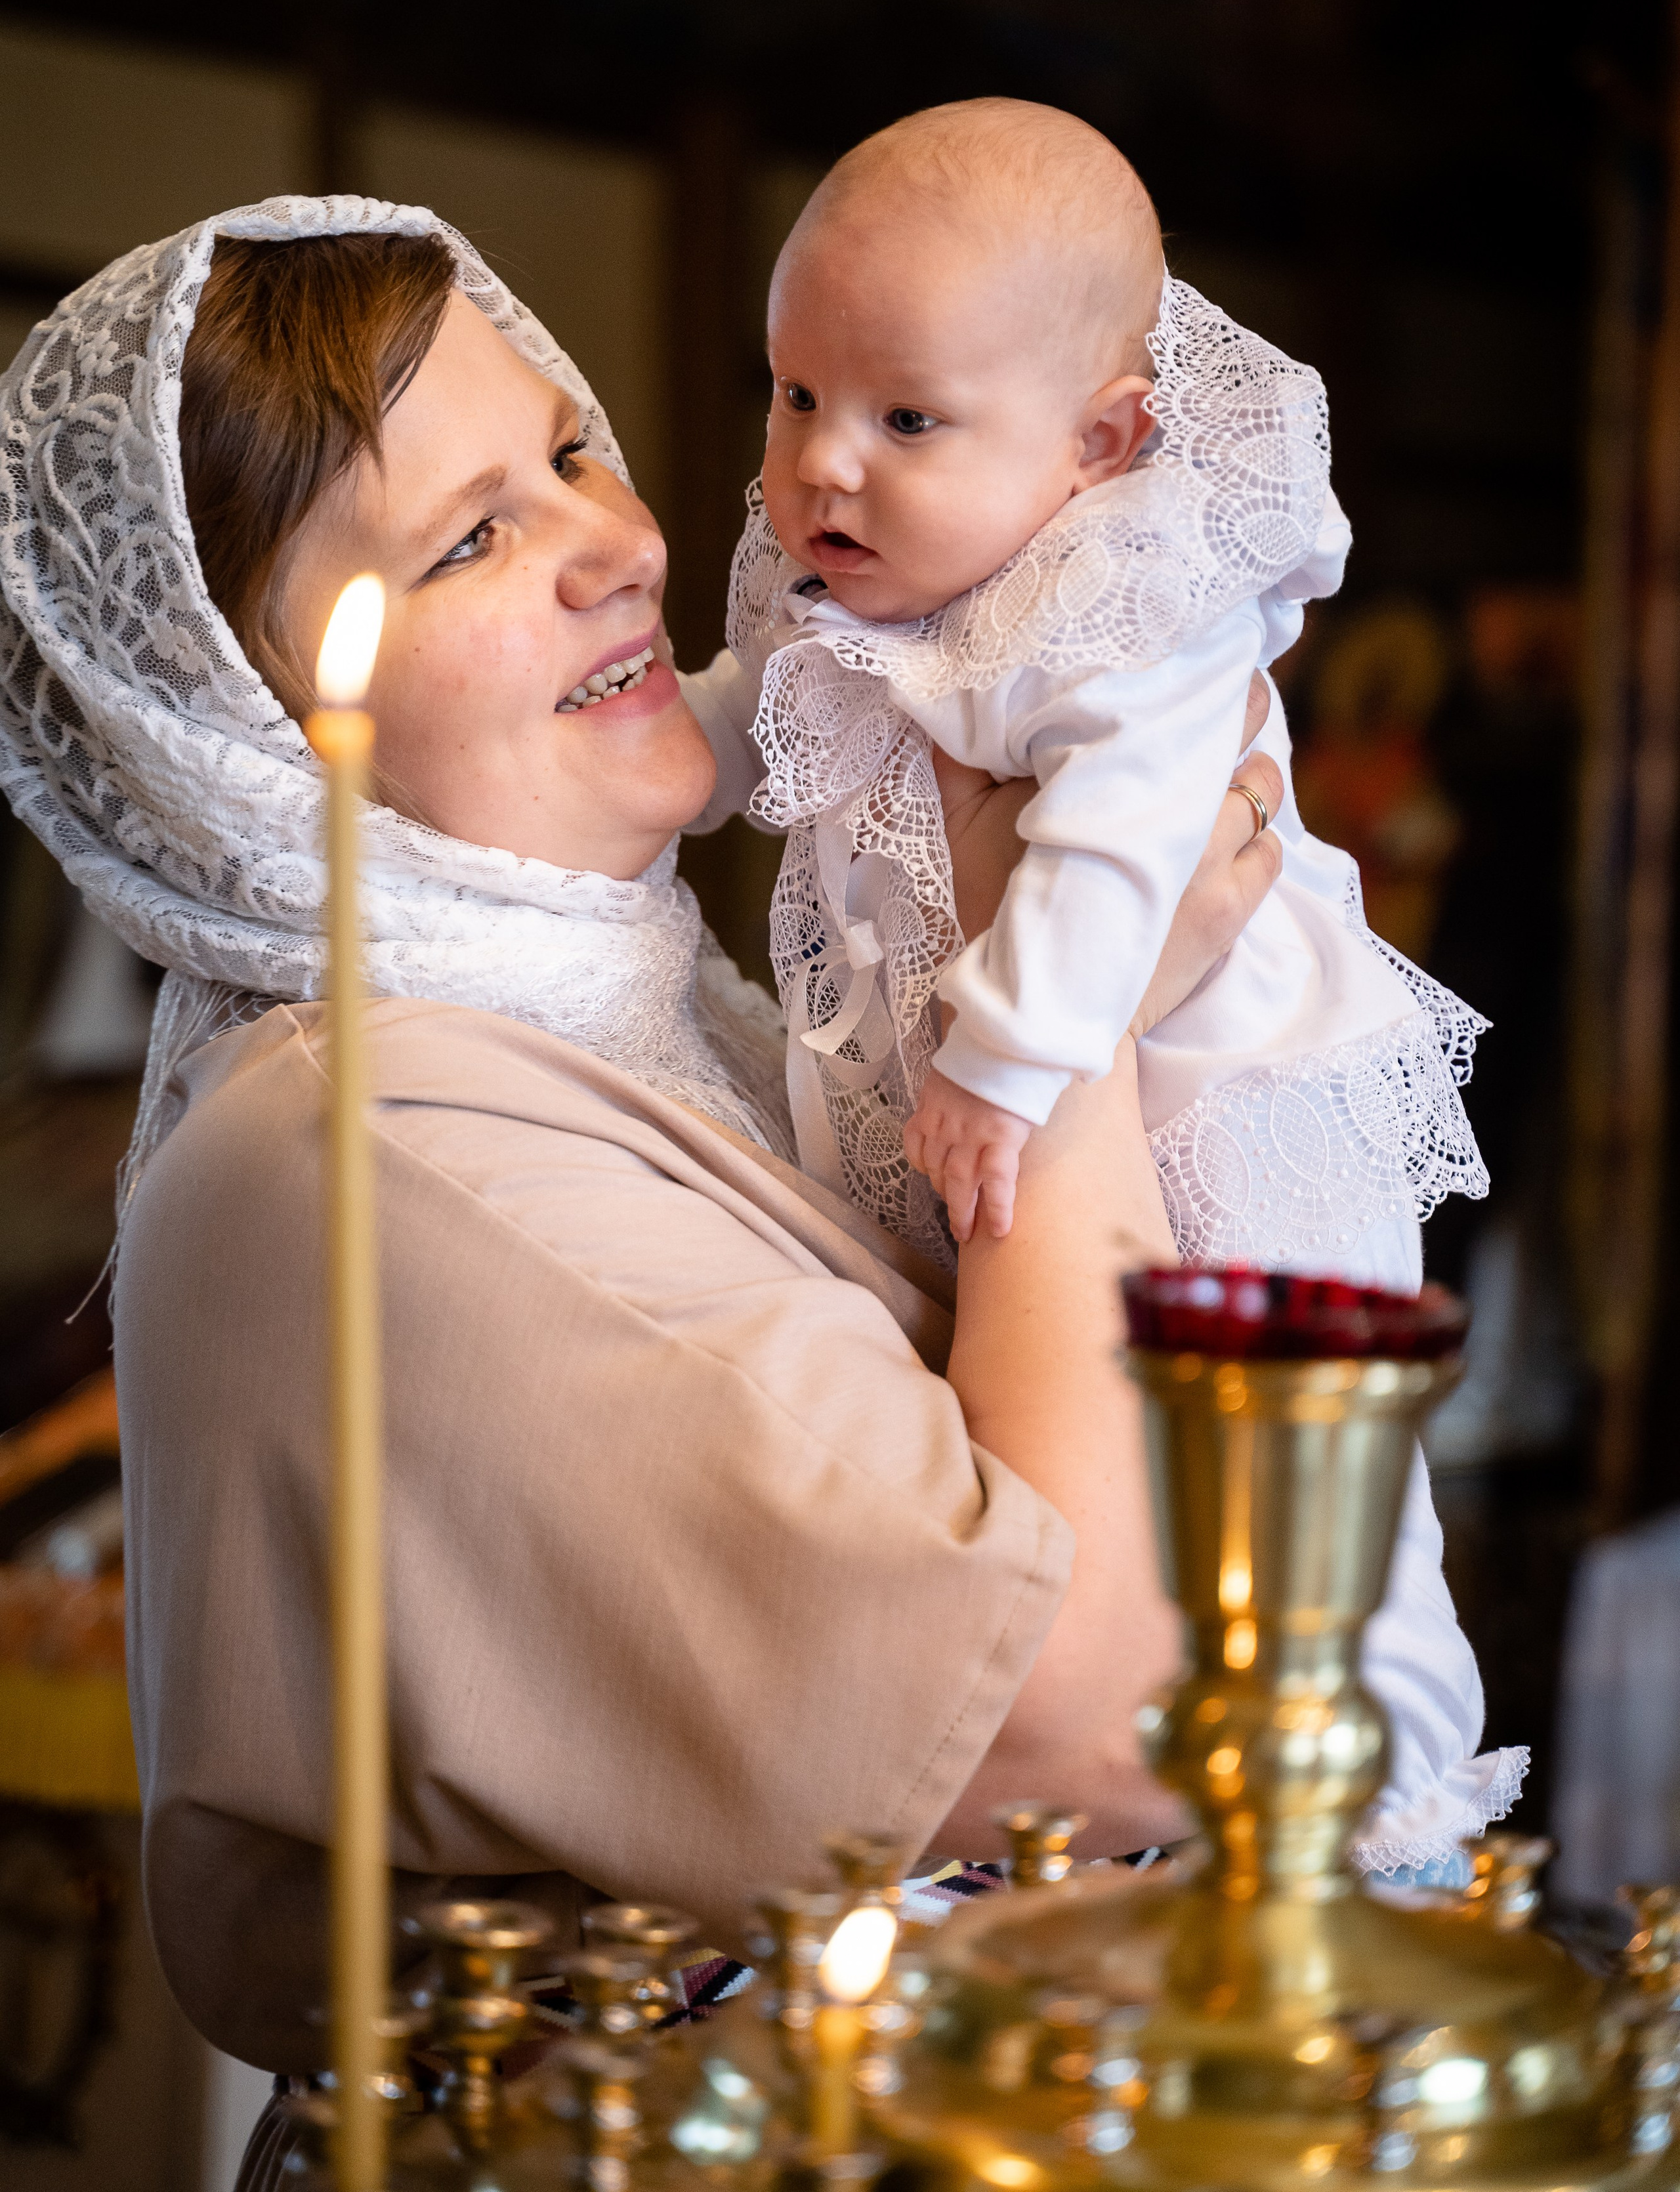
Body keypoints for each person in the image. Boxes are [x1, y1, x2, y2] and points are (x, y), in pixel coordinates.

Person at [0, 198, 1522, 2084]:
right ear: (241, 728)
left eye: (568, 454)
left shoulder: (622, 1019)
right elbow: (1116, 1697)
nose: (622, 548)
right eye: (475, 537)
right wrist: (1076, 1020)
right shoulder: (368, 1144)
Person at [681, 99, 1489, 1273]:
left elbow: (1117, 839)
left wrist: (1007, 1060)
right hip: (1004, 1109)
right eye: (796, 393)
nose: (823, 462)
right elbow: (756, 708)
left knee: (1244, 1430)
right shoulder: (869, 581)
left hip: (1218, 1125)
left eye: (907, 419)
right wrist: (649, 766)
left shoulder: (1115, 608)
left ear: (1098, 445)